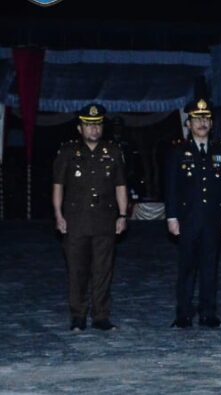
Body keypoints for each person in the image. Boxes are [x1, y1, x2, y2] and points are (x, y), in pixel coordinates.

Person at [52, 103, 128, 331]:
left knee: (103, 270)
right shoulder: (67, 152)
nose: (93, 130)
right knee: (77, 270)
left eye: (97, 125)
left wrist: (123, 215)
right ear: (79, 128)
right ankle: (78, 316)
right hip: (75, 219)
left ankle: (101, 316)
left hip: (105, 219)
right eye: (88, 125)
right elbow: (58, 186)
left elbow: (121, 186)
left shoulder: (113, 152)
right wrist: (58, 215)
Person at [165, 99, 221, 329]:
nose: (202, 123)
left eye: (206, 119)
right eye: (197, 119)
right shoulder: (178, 151)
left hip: (212, 219)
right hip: (188, 219)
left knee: (209, 268)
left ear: (211, 123)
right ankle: (183, 314)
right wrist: (172, 217)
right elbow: (172, 186)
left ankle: (208, 314)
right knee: (186, 267)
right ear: (188, 123)